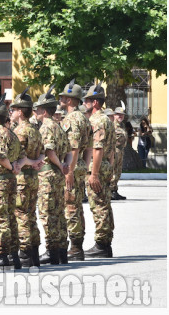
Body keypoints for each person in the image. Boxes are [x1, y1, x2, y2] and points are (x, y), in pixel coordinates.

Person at [0, 101, 26, 269]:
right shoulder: (11, 133)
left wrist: (11, 167)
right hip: (10, 180)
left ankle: (2, 255)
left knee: (1, 219)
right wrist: (17, 167)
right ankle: (13, 254)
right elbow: (23, 155)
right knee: (11, 218)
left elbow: (1, 156)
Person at [34, 87, 70, 265]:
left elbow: (49, 150)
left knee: (47, 213)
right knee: (59, 213)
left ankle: (52, 250)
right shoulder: (59, 127)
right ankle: (62, 249)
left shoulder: (46, 127)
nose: (36, 112)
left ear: (43, 111)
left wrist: (59, 164)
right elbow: (69, 150)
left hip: (48, 173)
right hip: (57, 174)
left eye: (38, 109)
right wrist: (65, 165)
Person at [58, 80, 93, 261]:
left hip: (71, 167)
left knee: (70, 207)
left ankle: (75, 248)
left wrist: (69, 172)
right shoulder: (84, 119)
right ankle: (77, 245)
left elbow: (73, 148)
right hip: (79, 166)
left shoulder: (72, 119)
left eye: (64, 96)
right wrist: (84, 167)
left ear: (71, 100)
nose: (61, 98)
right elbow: (89, 149)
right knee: (77, 206)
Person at [9, 89, 44, 267]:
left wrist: (29, 162)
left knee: (21, 215)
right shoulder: (35, 129)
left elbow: (19, 158)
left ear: (20, 112)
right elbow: (42, 154)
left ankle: (25, 252)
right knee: (30, 215)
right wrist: (36, 161)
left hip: (22, 178)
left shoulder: (20, 131)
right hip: (33, 177)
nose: (11, 112)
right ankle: (34, 252)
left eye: (13, 109)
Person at [83, 83, 116, 258]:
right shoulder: (106, 120)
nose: (85, 102)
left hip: (96, 166)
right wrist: (109, 167)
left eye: (87, 100)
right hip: (104, 165)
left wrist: (94, 174)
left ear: (95, 102)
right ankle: (105, 243)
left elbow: (98, 148)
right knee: (104, 203)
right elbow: (111, 150)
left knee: (99, 205)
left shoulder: (97, 121)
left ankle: (102, 244)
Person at [109, 106, 127, 201]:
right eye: (118, 114)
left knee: (118, 171)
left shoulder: (122, 125)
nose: (120, 116)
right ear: (114, 115)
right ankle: (110, 191)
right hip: (114, 150)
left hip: (120, 151)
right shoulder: (112, 124)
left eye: (122, 115)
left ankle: (114, 190)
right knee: (113, 171)